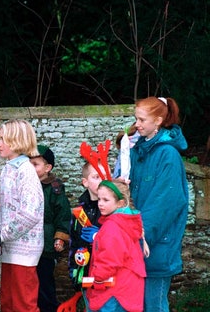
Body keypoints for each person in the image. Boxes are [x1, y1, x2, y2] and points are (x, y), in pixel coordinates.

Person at [130, 96, 189, 312]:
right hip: (139, 245)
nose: (137, 124)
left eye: (142, 120)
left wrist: (139, 237)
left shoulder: (168, 155)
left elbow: (165, 205)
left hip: (156, 246)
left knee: (154, 305)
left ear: (158, 121)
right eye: (136, 118)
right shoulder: (138, 151)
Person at [0, 119, 44, 312]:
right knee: (7, 302)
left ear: (15, 141)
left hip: (24, 249)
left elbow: (30, 213)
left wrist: (2, 234)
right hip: (9, 248)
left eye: (2, 139)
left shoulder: (26, 171)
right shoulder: (9, 168)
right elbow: (5, 208)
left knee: (24, 304)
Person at [85, 179, 146, 312]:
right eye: (99, 199)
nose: (100, 204)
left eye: (106, 200)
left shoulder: (113, 227)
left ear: (120, 203)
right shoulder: (125, 222)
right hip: (127, 286)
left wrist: (98, 280)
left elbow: (110, 259)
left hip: (115, 289)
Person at [29, 144, 70, 312]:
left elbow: (63, 214)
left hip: (45, 243)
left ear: (48, 167)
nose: (31, 168)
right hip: (28, 243)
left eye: (35, 164)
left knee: (45, 283)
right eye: (29, 163)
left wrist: (59, 237)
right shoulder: (27, 184)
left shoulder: (55, 188)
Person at [68, 162, 103, 306]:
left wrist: (100, 235)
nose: (101, 180)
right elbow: (73, 244)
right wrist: (74, 273)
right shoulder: (79, 211)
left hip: (105, 276)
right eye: (96, 177)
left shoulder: (110, 208)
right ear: (85, 182)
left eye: (103, 176)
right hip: (86, 273)